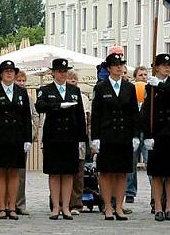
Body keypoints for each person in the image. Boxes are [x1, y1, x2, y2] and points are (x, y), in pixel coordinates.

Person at [90, 53, 140, 221]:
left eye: (121, 64)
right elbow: (96, 115)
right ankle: (108, 206)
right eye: (116, 64)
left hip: (124, 135)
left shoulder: (129, 87)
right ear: (109, 68)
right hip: (107, 135)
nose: (119, 67)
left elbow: (134, 113)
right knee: (106, 172)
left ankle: (119, 206)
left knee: (121, 172)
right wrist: (95, 137)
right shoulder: (101, 87)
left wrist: (135, 135)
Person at [36, 59, 87, 220]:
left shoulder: (74, 90)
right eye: (59, 71)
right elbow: (40, 106)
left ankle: (66, 206)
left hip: (70, 136)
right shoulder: (45, 89)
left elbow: (80, 116)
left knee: (68, 173)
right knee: (54, 172)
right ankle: (55, 206)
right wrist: (58, 105)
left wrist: (81, 138)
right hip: (53, 137)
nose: (62, 74)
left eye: (64, 71)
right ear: (53, 73)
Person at [0, 60, 32, 220]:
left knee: (14, 172)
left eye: (12, 71)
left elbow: (26, 117)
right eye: (6, 71)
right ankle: (1, 206)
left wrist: (27, 138)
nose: (9, 73)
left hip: (16, 138)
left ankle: (12, 206)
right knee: (0, 172)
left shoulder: (21, 92)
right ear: (1, 74)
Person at [142, 54, 170, 222]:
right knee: (158, 173)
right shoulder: (149, 86)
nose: (167, 67)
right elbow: (146, 111)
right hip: (157, 133)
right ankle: (158, 206)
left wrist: (159, 85)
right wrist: (147, 135)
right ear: (156, 67)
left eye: (169, 65)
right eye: (164, 65)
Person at [13, 69, 39, 216]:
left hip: (24, 138)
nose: (22, 83)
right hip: (9, 137)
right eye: (19, 80)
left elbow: (34, 115)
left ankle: (20, 203)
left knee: (21, 173)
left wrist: (32, 133)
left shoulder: (27, 97)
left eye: (23, 81)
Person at [67, 69, 90, 215]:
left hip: (80, 139)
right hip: (64, 138)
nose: (73, 82)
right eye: (71, 80)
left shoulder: (83, 98)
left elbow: (87, 120)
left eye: (75, 80)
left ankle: (76, 202)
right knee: (63, 171)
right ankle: (61, 201)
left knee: (78, 172)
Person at [126, 66, 148, 204]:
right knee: (131, 163)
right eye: (140, 75)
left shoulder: (150, 92)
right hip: (133, 132)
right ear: (135, 77)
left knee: (149, 162)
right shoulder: (130, 92)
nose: (143, 77)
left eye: (145, 75)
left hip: (146, 132)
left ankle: (155, 194)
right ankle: (129, 191)